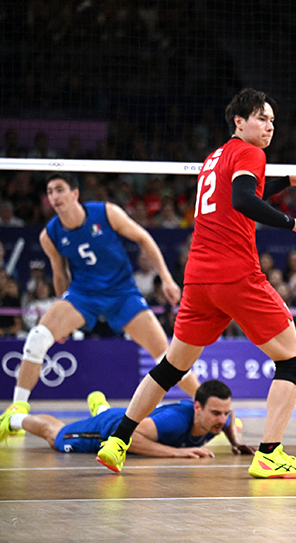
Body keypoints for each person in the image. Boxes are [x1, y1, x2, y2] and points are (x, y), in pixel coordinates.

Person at [95, 88, 296, 479]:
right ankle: (270, 454)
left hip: (199, 278)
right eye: (261, 118)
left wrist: (286, 179)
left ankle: (117, 441)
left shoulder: (215, 156)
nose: (269, 126)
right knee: (292, 360)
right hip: (235, 274)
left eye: (272, 120)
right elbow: (243, 199)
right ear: (239, 121)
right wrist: (294, 223)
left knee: (171, 366)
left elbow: (242, 189)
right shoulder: (251, 153)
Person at [0, 172, 202, 433]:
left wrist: (165, 278)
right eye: (50, 192)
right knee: (38, 336)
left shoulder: (106, 213)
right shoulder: (49, 235)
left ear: (75, 194)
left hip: (123, 294)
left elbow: (144, 238)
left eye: (59, 190)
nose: (54, 196)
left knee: (168, 356)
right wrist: (63, 321)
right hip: (83, 296)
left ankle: (207, 405)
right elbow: (60, 274)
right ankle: (16, 411)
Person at [0, 380, 251, 457]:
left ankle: (100, 406)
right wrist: (175, 453)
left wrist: (235, 441)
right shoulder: (174, 420)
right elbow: (130, 436)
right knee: (56, 435)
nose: (223, 418)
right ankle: (14, 419)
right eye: (216, 413)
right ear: (197, 408)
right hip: (111, 429)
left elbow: (229, 418)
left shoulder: (220, 418)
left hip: (129, 417)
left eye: (225, 412)